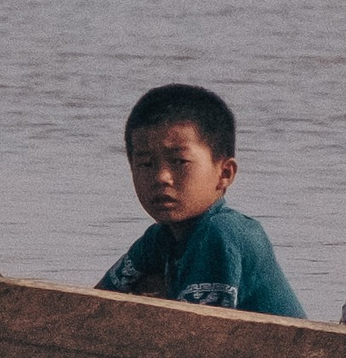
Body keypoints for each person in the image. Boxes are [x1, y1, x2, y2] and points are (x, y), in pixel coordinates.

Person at [98, 85, 306, 318]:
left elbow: (196, 336)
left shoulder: (222, 233)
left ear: (225, 173)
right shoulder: (158, 239)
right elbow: (92, 304)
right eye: (146, 164)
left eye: (179, 162)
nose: (161, 177)